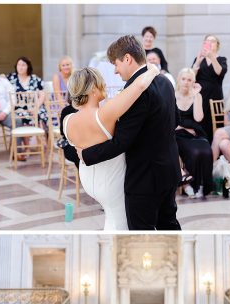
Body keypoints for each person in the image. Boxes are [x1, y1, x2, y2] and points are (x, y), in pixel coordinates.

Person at [78, 34, 183, 231]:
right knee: (169, 227)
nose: (116, 71)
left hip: (145, 179)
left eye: (115, 64)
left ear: (127, 58)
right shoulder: (165, 82)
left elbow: (121, 142)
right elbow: (176, 120)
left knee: (140, 235)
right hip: (168, 170)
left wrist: (85, 154)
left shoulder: (134, 93)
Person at [62, 63, 161, 229]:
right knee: (120, 224)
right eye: (101, 82)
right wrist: (153, 70)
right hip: (110, 182)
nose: (105, 85)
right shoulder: (104, 114)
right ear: (93, 89)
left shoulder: (68, 120)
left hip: (88, 181)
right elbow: (141, 85)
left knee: (112, 218)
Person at [174, 69, 213, 196]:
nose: (186, 82)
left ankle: (202, 185)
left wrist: (196, 95)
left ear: (193, 82)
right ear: (179, 80)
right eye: (183, 79)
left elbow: (198, 118)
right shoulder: (172, 95)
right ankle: (189, 184)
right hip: (177, 133)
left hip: (195, 132)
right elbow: (170, 120)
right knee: (195, 152)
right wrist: (184, 128)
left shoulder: (197, 96)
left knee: (206, 151)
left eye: (189, 80)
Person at [7, 57, 47, 156]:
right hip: (18, 108)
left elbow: (42, 94)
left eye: (23, 65)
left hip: (34, 106)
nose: (20, 67)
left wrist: (36, 107)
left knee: (43, 114)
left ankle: (44, 143)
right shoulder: (11, 78)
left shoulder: (35, 78)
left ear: (28, 66)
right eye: (19, 65)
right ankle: (27, 146)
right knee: (21, 116)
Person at [192, 34, 227, 140]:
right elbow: (192, 77)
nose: (210, 43)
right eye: (207, 41)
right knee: (200, 121)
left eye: (212, 41)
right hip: (200, 95)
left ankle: (215, 150)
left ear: (217, 45)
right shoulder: (198, 58)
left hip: (215, 95)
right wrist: (198, 60)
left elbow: (219, 72)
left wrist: (211, 56)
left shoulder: (221, 59)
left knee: (214, 122)